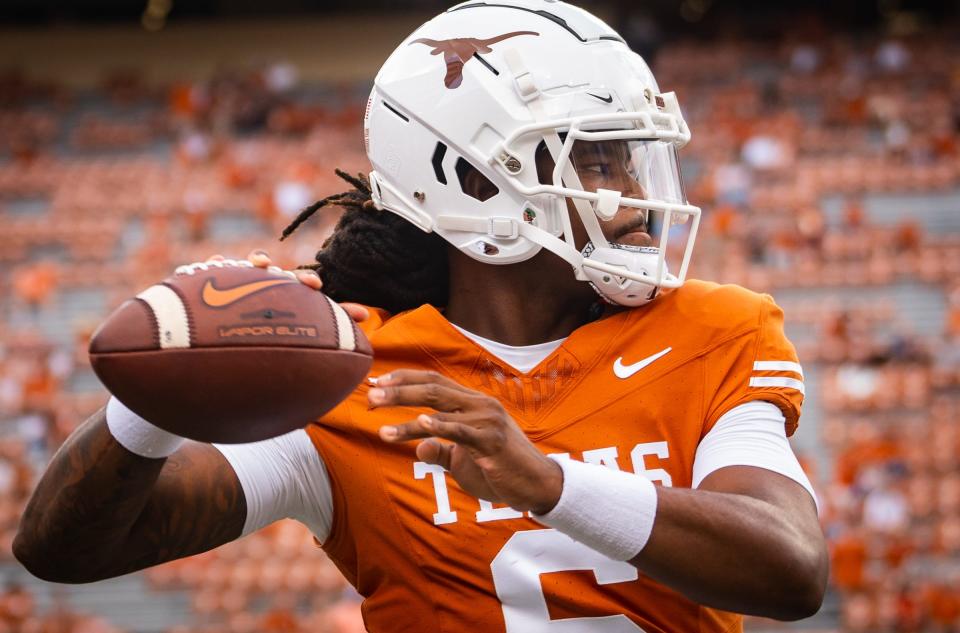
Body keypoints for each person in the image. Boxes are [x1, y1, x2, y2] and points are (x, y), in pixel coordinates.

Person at [14, 2, 827, 632]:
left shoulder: (713, 328)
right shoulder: (350, 376)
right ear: (473, 185)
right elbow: (64, 548)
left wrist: (548, 484)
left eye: (633, 156)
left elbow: (790, 568)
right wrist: (158, 398)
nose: (638, 197)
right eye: (598, 158)